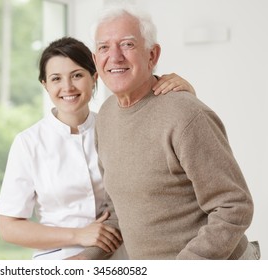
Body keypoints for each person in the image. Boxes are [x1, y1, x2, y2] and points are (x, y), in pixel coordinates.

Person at [72, 5, 260, 260]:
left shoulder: (186, 115)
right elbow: (120, 209)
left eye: (127, 44)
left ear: (152, 55)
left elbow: (233, 207)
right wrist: (88, 256)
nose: (114, 56)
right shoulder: (105, 116)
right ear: (96, 60)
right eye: (104, 47)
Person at [0, 36, 197, 260]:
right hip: (60, 258)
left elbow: (163, 139)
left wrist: (186, 93)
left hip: (120, 253)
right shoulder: (28, 143)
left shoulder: (115, 125)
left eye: (77, 75)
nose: (67, 87)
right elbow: (9, 227)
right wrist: (79, 235)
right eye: (56, 79)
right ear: (45, 85)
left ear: (94, 77)